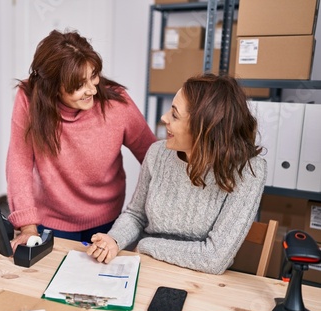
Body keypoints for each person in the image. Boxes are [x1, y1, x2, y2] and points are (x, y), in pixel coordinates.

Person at [87, 73, 267, 275]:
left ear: (204, 128)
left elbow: (214, 259)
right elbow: (136, 215)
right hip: (147, 266)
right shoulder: (157, 153)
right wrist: (115, 239)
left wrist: (147, 246)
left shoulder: (248, 171)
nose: (164, 118)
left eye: (174, 114)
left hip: (199, 277)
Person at [6, 30, 156, 252]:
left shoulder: (117, 102)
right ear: (52, 87)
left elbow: (153, 157)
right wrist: (27, 226)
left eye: (93, 75)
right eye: (79, 85)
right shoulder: (29, 98)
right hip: (52, 218)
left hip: (107, 218)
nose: (92, 90)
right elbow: (19, 163)